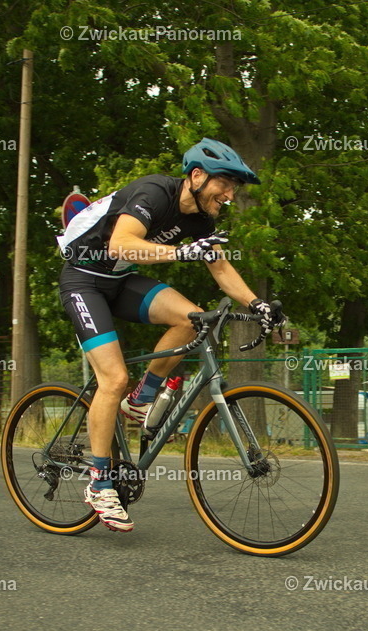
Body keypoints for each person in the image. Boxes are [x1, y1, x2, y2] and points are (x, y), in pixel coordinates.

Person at [56, 138, 283, 532]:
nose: (230, 194)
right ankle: (98, 484)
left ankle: (141, 402)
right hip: (84, 282)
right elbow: (120, 243)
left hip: (119, 280)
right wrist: (181, 253)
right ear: (196, 176)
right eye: (225, 184)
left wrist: (257, 304)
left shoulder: (202, 221)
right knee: (113, 378)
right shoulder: (153, 193)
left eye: (234, 188)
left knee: (192, 318)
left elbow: (220, 266)